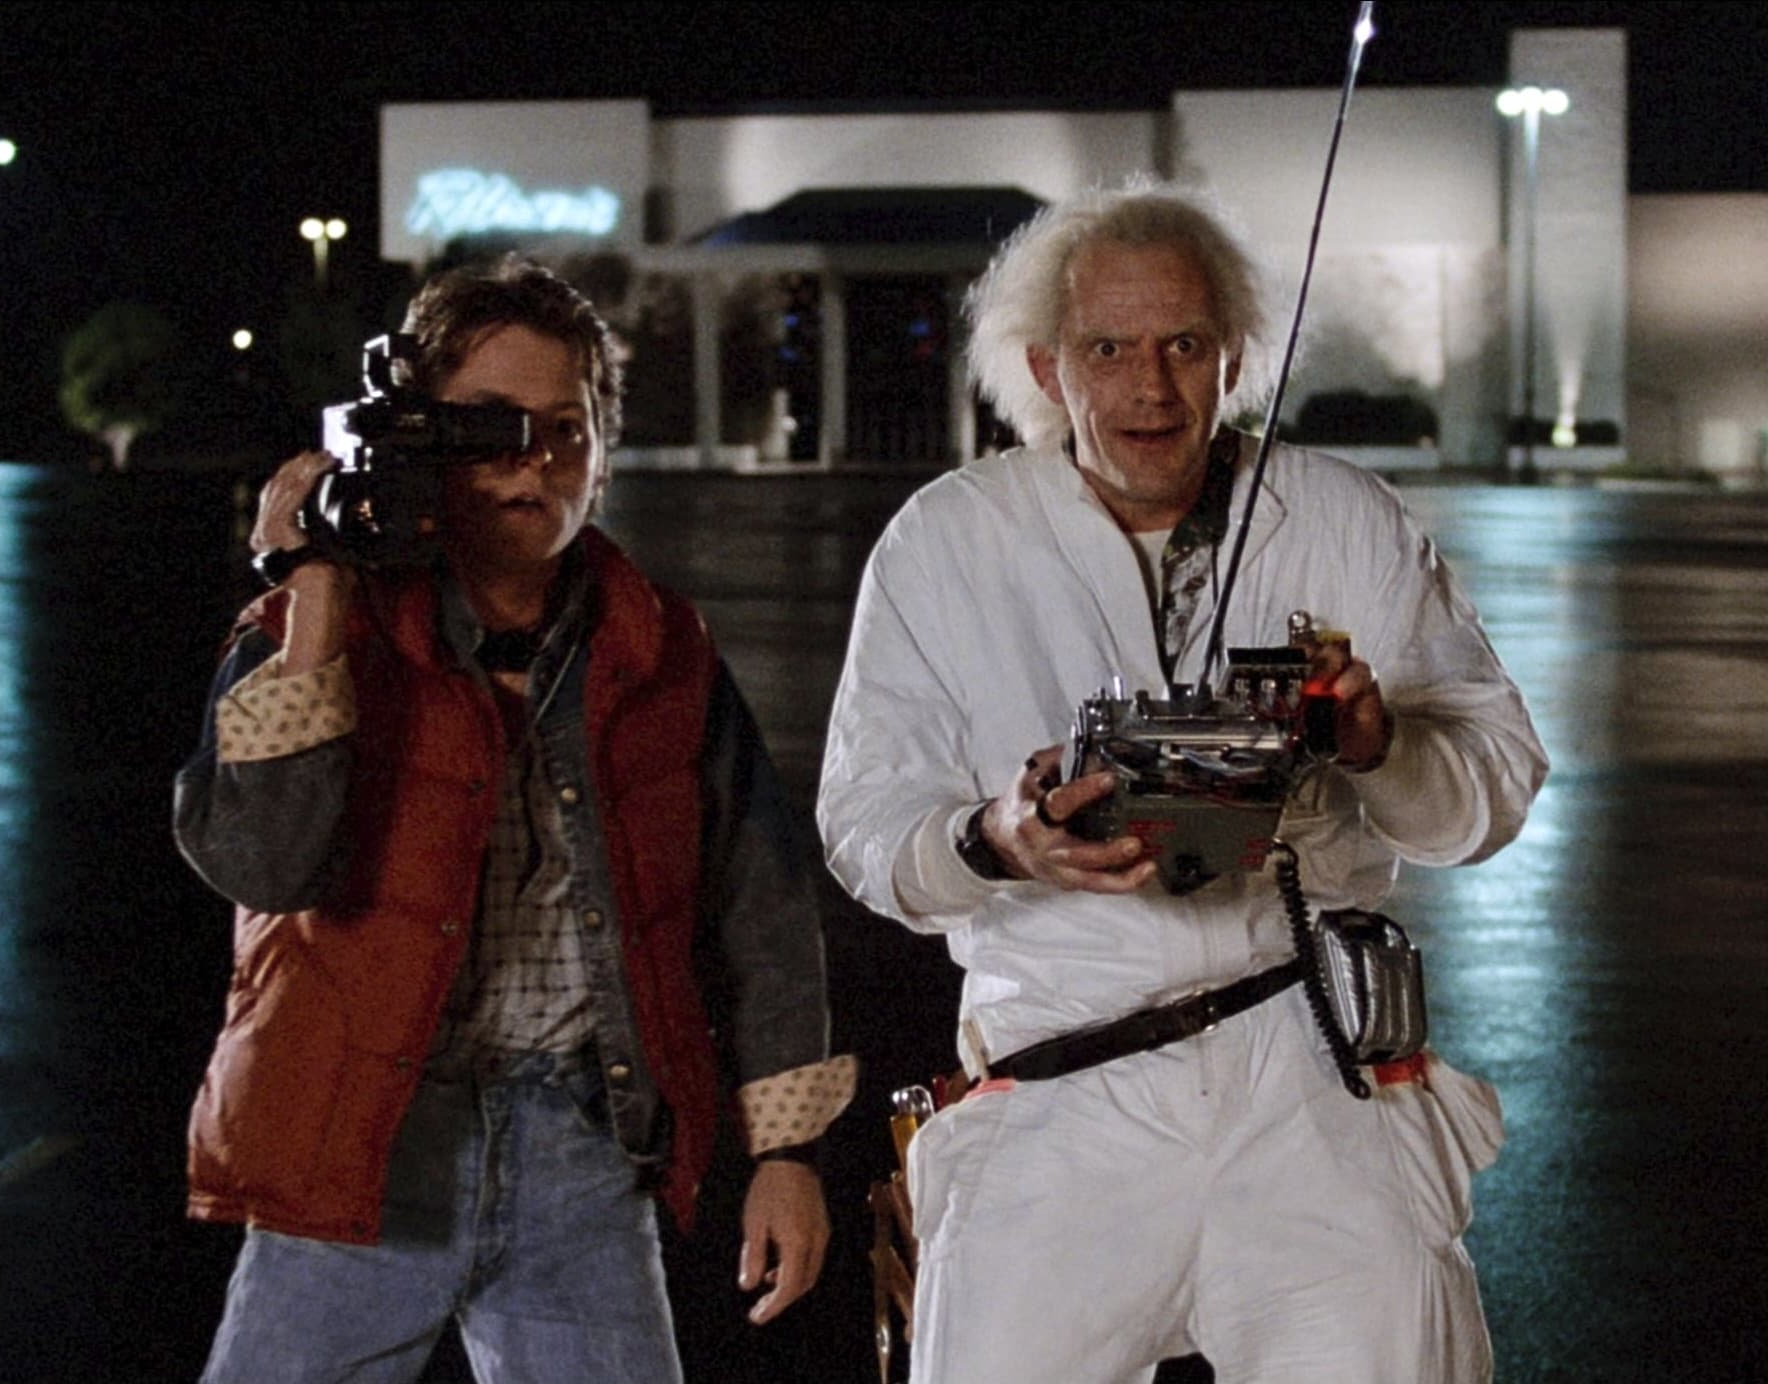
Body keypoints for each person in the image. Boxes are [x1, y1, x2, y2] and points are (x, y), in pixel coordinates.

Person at [817, 184, 1547, 1382]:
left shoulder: (1342, 518)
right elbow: (863, 826)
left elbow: (1497, 785)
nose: (1150, 387)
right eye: (1109, 349)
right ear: (1048, 369)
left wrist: (1377, 745)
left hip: (1306, 1062)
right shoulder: (948, 541)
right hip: (1059, 1071)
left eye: (1185, 345)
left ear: (1236, 358)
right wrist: (997, 839)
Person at [173, 256, 854, 1383]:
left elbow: (762, 909)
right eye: (490, 429)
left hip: (581, 1156)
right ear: (418, 440)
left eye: (566, 431)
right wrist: (319, 597)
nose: (533, 463)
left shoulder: (661, 652)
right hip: (364, 1142)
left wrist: (789, 1153)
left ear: (604, 451)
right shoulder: (312, 633)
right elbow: (264, 860)